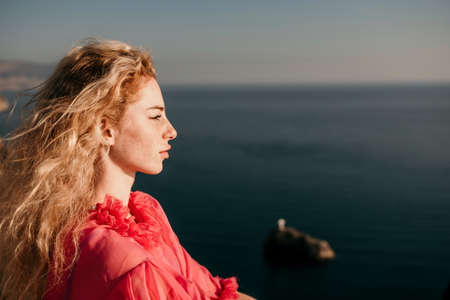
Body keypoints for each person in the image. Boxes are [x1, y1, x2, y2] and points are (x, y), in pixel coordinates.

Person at [0, 39, 255, 300]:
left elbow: (212, 290)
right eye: (155, 116)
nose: (172, 131)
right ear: (105, 129)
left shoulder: (140, 214)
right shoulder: (129, 268)